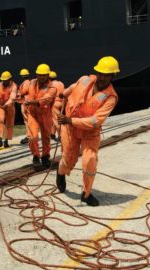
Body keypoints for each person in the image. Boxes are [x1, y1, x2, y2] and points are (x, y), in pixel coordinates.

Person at [56, 56, 120, 206]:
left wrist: (70, 120)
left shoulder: (111, 98)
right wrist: (63, 93)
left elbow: (95, 121)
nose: (102, 77)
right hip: (70, 128)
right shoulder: (85, 79)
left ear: (112, 76)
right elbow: (74, 87)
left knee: (89, 160)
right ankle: (60, 173)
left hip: (89, 131)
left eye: (106, 75)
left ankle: (86, 194)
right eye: (100, 73)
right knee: (68, 158)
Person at [25, 64, 57, 167]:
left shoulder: (52, 88)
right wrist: (20, 96)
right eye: (40, 75)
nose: (42, 77)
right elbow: (24, 92)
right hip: (32, 114)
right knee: (32, 137)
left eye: (44, 75)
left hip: (45, 114)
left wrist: (30, 102)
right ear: (37, 74)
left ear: (48, 75)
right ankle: (35, 156)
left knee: (46, 137)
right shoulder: (31, 83)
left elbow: (44, 100)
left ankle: (45, 156)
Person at [0, 71, 17, 148]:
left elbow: (12, 98)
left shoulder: (14, 86)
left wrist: (6, 105)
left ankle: (6, 140)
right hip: (0, 105)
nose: (4, 81)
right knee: (1, 120)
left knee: (9, 123)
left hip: (9, 106)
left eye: (5, 79)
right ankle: (0, 139)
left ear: (10, 79)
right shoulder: (0, 84)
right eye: (3, 79)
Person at [16, 68, 31, 144]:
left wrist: (17, 94)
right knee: (29, 120)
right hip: (28, 102)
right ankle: (31, 135)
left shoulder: (26, 83)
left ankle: (29, 136)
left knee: (26, 120)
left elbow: (24, 92)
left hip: (25, 103)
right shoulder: (30, 82)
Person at [50, 71, 65, 141]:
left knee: (56, 121)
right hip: (62, 103)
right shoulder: (61, 83)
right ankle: (52, 134)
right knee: (56, 119)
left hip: (55, 103)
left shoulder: (51, 84)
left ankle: (61, 136)